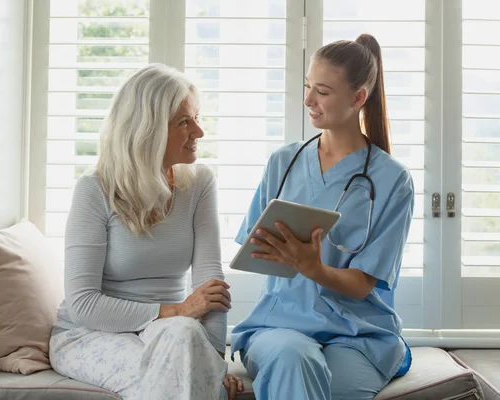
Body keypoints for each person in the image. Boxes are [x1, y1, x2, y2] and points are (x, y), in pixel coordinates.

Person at [230, 34, 415, 400]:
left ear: (358, 97)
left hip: (358, 335)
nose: (308, 100)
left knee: (319, 386)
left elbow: (363, 284)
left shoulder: (392, 180)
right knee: (292, 357)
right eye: (308, 87)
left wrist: (313, 267)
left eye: (323, 91)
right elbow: (253, 247)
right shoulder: (283, 162)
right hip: (281, 325)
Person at [49, 63, 243, 400]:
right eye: (184, 121)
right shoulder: (94, 189)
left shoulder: (199, 183)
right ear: (147, 129)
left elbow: (209, 286)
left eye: (196, 117)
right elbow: (83, 304)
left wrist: (213, 360)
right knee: (176, 368)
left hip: (171, 333)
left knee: (183, 341)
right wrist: (179, 311)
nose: (199, 132)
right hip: (91, 333)